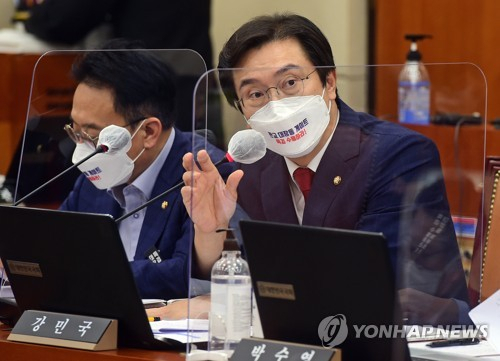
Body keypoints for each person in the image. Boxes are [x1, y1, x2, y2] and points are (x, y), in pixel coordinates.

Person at [179, 13, 471, 326]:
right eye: (255, 94)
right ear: (243, 111)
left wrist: (241, 304)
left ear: (329, 83)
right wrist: (210, 235)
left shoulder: (399, 154)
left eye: (290, 83)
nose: (275, 105)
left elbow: (374, 282)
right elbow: (249, 273)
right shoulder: (250, 168)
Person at [59, 39, 233, 300]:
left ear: (149, 132)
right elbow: (58, 250)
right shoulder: (94, 173)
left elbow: (184, 273)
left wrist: (87, 276)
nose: (83, 149)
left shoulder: (205, 174)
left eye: (93, 136)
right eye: (75, 131)